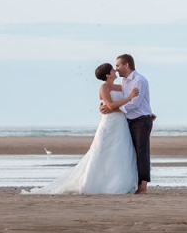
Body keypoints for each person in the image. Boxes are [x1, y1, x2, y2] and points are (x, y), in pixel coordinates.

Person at [24, 63, 139, 194]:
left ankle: (118, 182)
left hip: (121, 124)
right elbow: (111, 105)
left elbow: (118, 105)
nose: (115, 71)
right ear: (107, 74)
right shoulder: (104, 87)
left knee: (120, 152)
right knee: (102, 152)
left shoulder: (120, 87)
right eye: (113, 69)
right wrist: (128, 98)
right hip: (109, 124)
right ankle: (95, 183)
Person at [100, 53, 153, 194]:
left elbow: (134, 104)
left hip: (141, 120)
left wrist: (112, 109)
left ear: (126, 65)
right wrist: (104, 105)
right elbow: (110, 93)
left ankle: (143, 187)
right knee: (130, 153)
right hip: (128, 121)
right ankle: (132, 183)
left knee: (142, 153)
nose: (116, 69)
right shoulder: (124, 82)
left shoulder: (139, 80)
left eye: (118, 65)